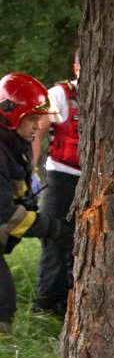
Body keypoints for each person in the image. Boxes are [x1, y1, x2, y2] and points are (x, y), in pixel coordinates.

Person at [0, 73, 68, 333]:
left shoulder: (13, 145)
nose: (38, 126)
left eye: (40, 119)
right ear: (9, 114)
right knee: (2, 300)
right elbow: (6, 215)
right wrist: (54, 229)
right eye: (31, 119)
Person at [31, 50, 80, 316]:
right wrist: (32, 170)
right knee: (53, 237)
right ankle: (47, 305)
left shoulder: (111, 94)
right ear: (76, 68)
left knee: (80, 243)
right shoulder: (60, 94)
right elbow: (37, 127)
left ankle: (72, 304)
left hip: (91, 180)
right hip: (60, 176)